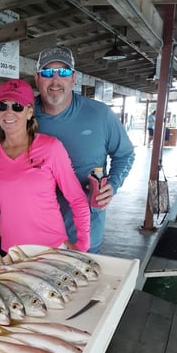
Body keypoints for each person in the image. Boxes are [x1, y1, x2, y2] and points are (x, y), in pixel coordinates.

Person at [34, 46, 135, 254]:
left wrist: (113, 185)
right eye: (47, 73)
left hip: (85, 235)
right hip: (34, 234)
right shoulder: (20, 114)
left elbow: (125, 154)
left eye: (63, 72)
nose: (55, 80)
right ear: (37, 78)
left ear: (73, 78)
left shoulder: (100, 114)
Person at [0, 79, 90, 267]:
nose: (9, 112)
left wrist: (82, 246)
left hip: (52, 251)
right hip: (12, 256)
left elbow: (77, 198)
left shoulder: (51, 147)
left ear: (30, 112)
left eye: (17, 106)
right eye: (2, 105)